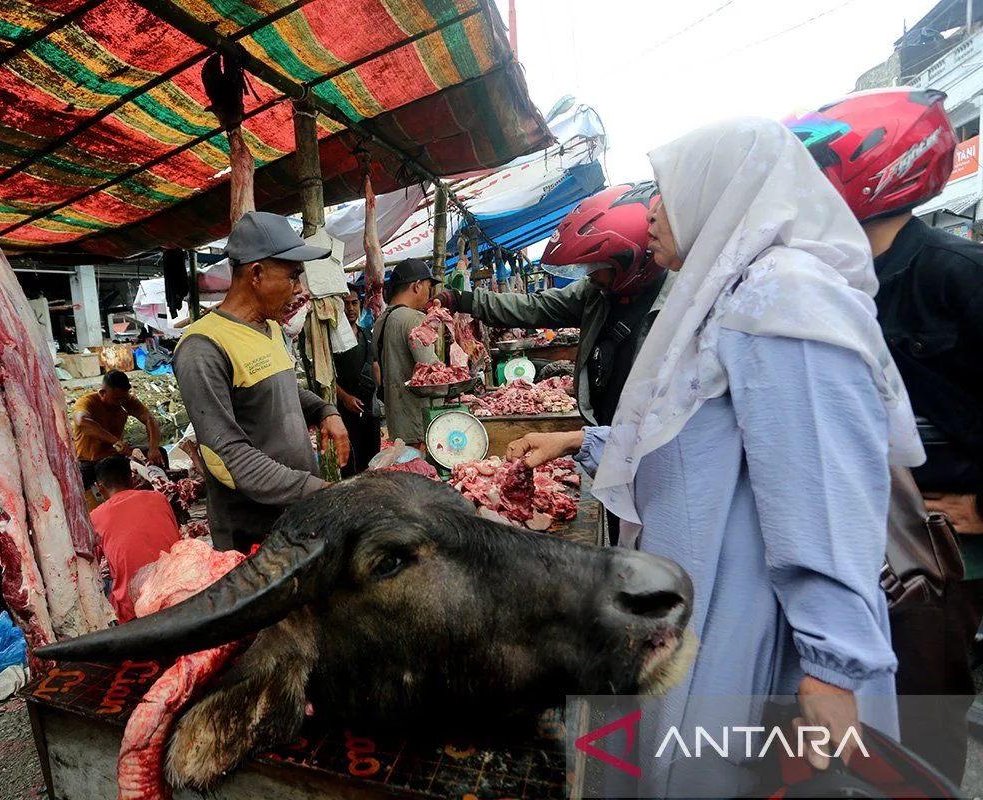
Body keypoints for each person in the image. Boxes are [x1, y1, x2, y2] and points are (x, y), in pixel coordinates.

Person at [508, 118, 917, 795]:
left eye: (666, 191)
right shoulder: (729, 294)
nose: (652, 213)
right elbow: (697, 443)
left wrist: (833, 665)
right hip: (697, 593)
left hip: (745, 615)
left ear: (720, 192)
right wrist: (577, 441)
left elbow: (823, 486)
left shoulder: (784, 294)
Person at [787, 87, 983, 784]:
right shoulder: (835, 277)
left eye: (817, 171)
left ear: (875, 172)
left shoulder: (956, 275)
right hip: (857, 534)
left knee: (922, 718)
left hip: (938, 549)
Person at [173, 211, 350, 554]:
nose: (300, 289)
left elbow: (282, 392)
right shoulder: (203, 347)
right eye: (293, 277)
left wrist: (325, 411)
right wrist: (318, 490)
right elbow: (227, 456)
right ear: (256, 274)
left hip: (295, 517)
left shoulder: (270, 329)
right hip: (254, 536)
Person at [434, 182, 673, 426]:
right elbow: (535, 306)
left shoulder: (679, 307)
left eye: (596, 267)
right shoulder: (595, 293)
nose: (589, 275)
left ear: (631, 260)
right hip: (603, 433)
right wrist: (464, 300)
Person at [89, 455, 182, 624]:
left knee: (102, 582)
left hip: (135, 607)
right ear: (132, 479)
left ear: (99, 488)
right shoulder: (158, 498)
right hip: (178, 587)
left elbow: (92, 563)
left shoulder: (95, 517)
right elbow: (176, 540)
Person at [299, 287, 381, 476]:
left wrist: (377, 391)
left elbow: (375, 364)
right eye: (345, 304)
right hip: (345, 411)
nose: (350, 308)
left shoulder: (366, 334)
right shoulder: (330, 340)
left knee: (372, 462)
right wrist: (345, 397)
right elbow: (325, 375)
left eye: (354, 303)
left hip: (369, 410)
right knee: (350, 465)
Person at [372, 258, 440, 445]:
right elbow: (432, 372)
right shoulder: (413, 318)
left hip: (397, 422)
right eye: (428, 287)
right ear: (417, 286)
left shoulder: (381, 321)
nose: (429, 294)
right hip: (420, 422)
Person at [74, 370, 163, 492]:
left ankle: (165, 490)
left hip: (115, 456)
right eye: (117, 399)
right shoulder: (87, 402)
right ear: (102, 393)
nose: (120, 402)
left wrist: (154, 448)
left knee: (160, 454)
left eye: (123, 398)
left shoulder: (127, 400)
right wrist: (115, 441)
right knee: (77, 487)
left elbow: (149, 419)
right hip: (89, 460)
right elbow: (82, 421)